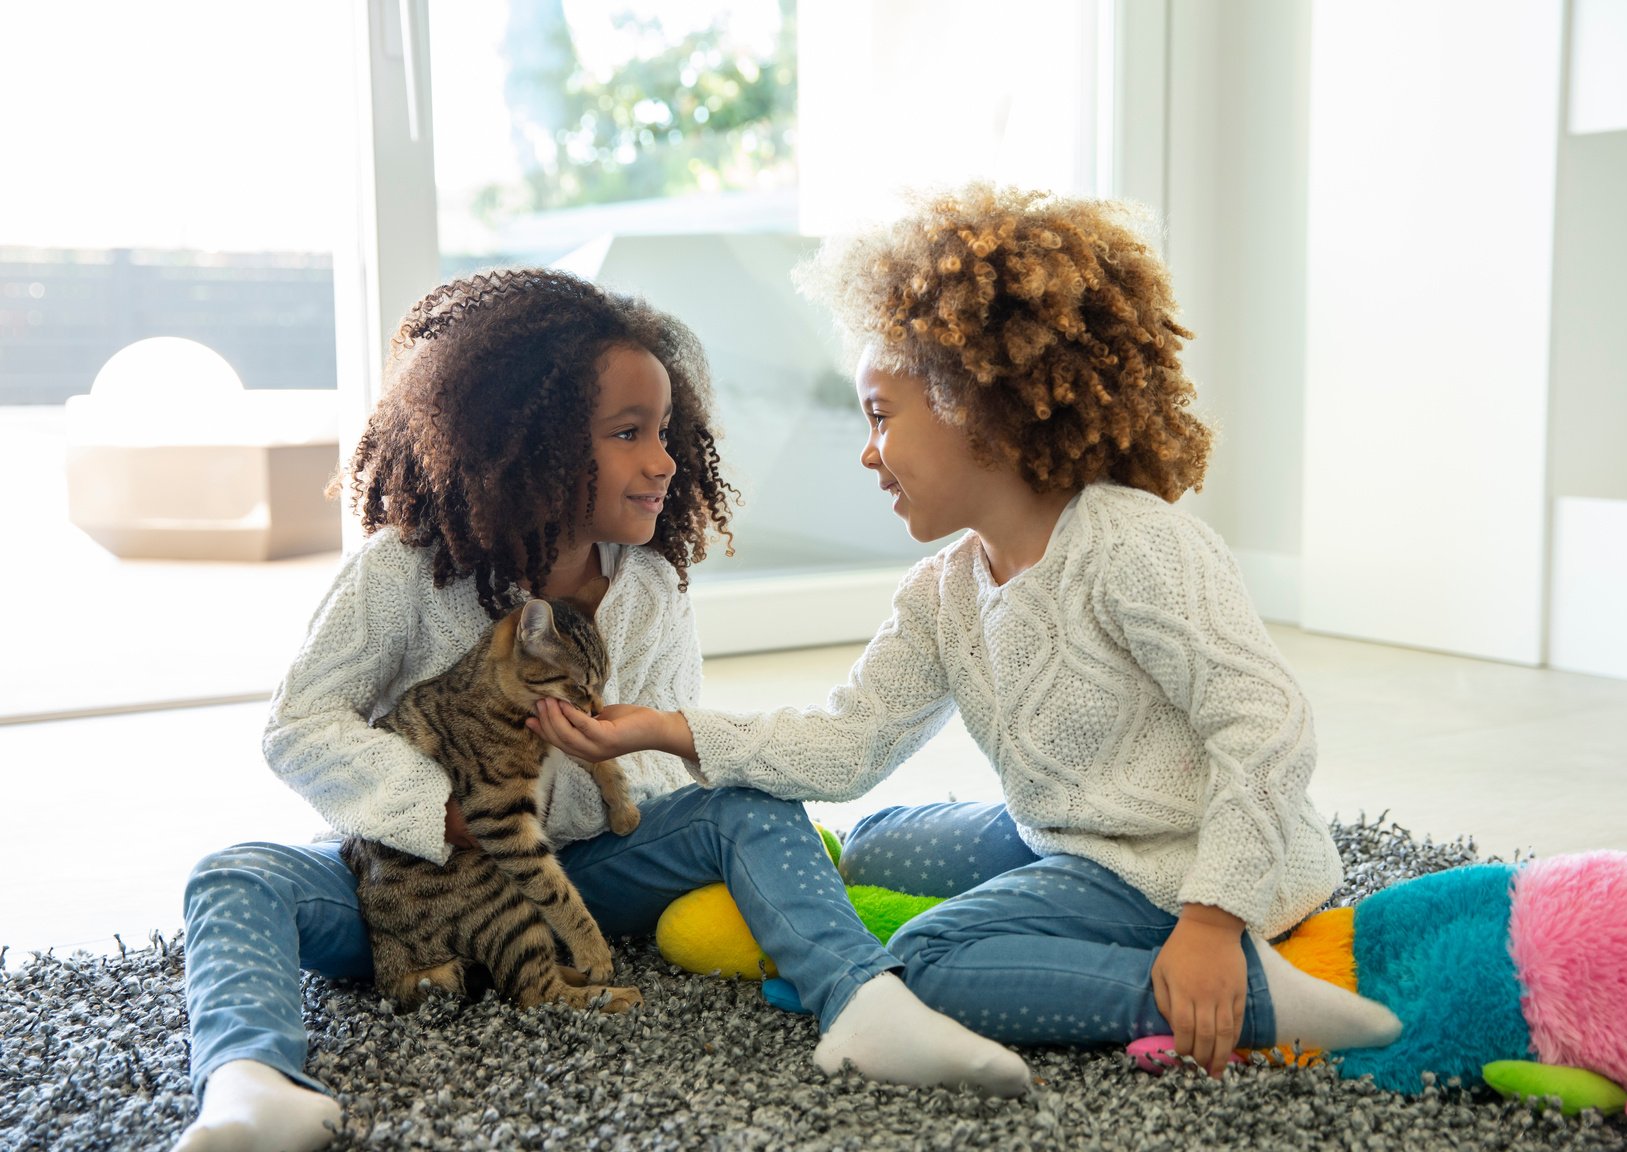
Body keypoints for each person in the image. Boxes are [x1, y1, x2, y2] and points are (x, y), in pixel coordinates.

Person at [533, 185, 1405, 1083]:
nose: (868, 452)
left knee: (925, 963)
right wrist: (666, 730)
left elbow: (1267, 727)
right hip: (1068, 834)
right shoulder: (945, 589)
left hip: (1178, 865)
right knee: (872, 845)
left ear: (978, 404)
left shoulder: (1138, 546)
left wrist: (1212, 921)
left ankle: (1254, 998)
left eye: (881, 414)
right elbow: (850, 742)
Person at [174, 269, 1030, 1152]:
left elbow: (660, 768)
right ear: (529, 446)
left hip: (582, 871)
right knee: (234, 874)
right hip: (410, 888)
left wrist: (598, 759)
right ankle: (251, 1082)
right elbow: (300, 725)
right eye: (628, 434)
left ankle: (863, 1002)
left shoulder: (650, 591)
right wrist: (441, 812)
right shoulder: (403, 572)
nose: (662, 459)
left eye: (665, 432)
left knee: (746, 806)